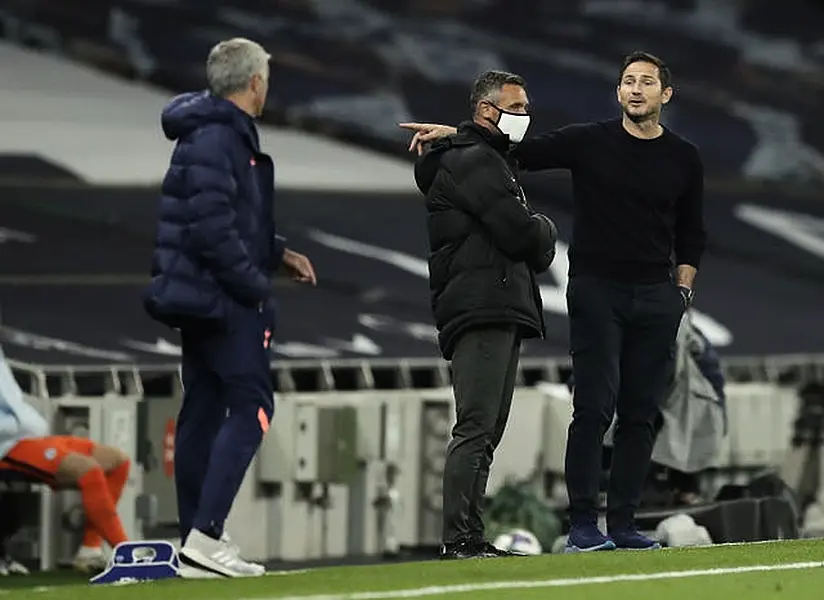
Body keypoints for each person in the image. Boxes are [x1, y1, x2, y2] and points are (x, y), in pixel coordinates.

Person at [401, 51, 706, 552]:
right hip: (596, 290)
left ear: (665, 95)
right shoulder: (589, 140)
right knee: (593, 408)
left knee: (641, 413)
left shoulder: (684, 156)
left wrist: (681, 292)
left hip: (656, 295)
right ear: (618, 91)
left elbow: (692, 232)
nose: (634, 89)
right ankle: (584, 525)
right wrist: (454, 134)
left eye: (646, 82)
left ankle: (625, 524)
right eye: (627, 80)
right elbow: (509, 152)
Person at [142, 38, 317, 578]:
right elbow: (213, 227)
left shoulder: (209, 131)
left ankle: (195, 539)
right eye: (267, 78)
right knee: (252, 406)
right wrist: (253, 285)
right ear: (255, 83)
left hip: (198, 296)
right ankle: (206, 534)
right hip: (222, 299)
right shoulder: (221, 138)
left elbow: (234, 217)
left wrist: (277, 253)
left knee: (202, 409)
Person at [413, 70, 558, 559]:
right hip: (483, 303)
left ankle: (469, 537)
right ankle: (460, 539)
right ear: (486, 112)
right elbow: (524, 239)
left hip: (492, 303)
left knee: (485, 430)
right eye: (515, 109)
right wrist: (546, 227)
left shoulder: (478, 157)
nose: (524, 118)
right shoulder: (477, 162)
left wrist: (456, 134)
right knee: (476, 427)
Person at [0, 344, 131, 574]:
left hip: (32, 434)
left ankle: (90, 550)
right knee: (87, 469)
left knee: (117, 460)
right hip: (7, 444)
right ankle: (128, 553)